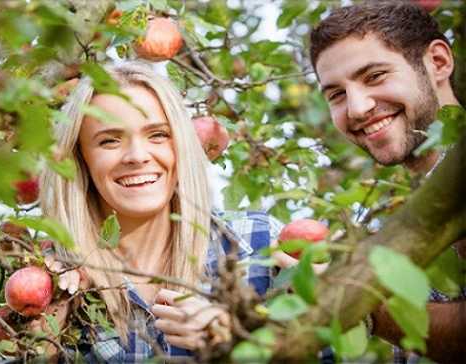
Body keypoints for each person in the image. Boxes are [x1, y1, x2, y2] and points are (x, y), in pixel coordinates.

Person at [35, 61, 280, 363]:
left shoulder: (255, 245)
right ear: (80, 159)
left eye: (158, 135)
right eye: (110, 140)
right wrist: (42, 345)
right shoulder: (59, 282)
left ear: (180, 145)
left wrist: (234, 341)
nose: (137, 156)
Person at [309, 2, 466, 363]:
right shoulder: (397, 211)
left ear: (438, 62)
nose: (357, 108)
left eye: (375, 76)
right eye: (336, 94)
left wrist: (358, 302)